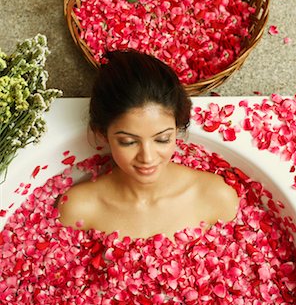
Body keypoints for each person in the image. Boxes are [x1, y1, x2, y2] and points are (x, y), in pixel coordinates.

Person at [57, 50, 239, 241]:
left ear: (177, 129)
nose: (148, 157)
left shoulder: (217, 197)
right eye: (129, 142)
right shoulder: (78, 208)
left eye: (162, 139)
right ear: (103, 135)